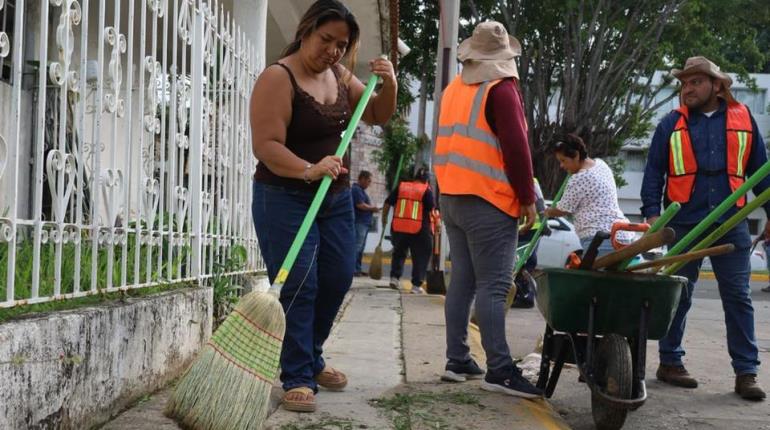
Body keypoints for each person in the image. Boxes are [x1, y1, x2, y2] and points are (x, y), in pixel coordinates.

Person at [249, 0, 396, 412]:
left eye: (341, 44)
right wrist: (310, 169)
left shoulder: (339, 74)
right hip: (284, 197)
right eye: (326, 39)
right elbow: (267, 146)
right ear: (307, 30)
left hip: (334, 198)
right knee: (301, 283)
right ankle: (297, 373)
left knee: (336, 280)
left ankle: (311, 357)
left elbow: (378, 116)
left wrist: (390, 85)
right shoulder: (278, 78)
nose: (332, 50)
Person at [641, 56, 766, 400]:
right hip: (683, 225)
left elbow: (762, 173)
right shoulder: (670, 124)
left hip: (731, 223)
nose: (688, 88)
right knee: (678, 296)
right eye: (684, 83)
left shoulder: (744, 120)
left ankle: (746, 372)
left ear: (716, 85)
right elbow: (653, 172)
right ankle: (670, 362)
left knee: (738, 298)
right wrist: (652, 215)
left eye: (696, 82)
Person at [435, 21, 542, 399]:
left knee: (462, 280)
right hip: (489, 199)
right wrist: (527, 196)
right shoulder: (502, 90)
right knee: (494, 287)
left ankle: (457, 358)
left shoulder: (453, 90)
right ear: (504, 59)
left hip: (452, 196)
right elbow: (516, 147)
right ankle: (500, 369)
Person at [543, 133, 633, 258]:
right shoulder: (601, 164)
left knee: (596, 277)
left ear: (576, 155)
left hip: (599, 239)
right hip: (622, 235)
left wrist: (549, 212)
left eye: (563, 161)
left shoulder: (579, 178)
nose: (561, 166)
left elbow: (563, 209)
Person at [381, 166, 435, 294]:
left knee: (399, 252)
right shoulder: (426, 190)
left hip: (399, 227)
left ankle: (394, 278)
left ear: (414, 178)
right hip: (418, 229)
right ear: (426, 180)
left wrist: (384, 219)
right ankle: (416, 285)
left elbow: (387, 203)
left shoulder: (402, 186)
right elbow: (431, 209)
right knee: (421, 255)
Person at [511, 178, 549, 308]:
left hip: (529, 228)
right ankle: (521, 295)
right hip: (526, 227)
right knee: (524, 261)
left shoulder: (529, 179)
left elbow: (539, 200)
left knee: (521, 262)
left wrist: (544, 221)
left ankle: (526, 296)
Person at [351, 170, 379, 276]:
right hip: (359, 222)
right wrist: (373, 208)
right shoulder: (356, 190)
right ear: (362, 179)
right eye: (368, 181)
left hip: (364, 223)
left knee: (361, 247)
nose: (369, 184)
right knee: (357, 246)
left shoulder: (361, 191)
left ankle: (357, 268)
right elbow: (360, 205)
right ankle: (353, 269)